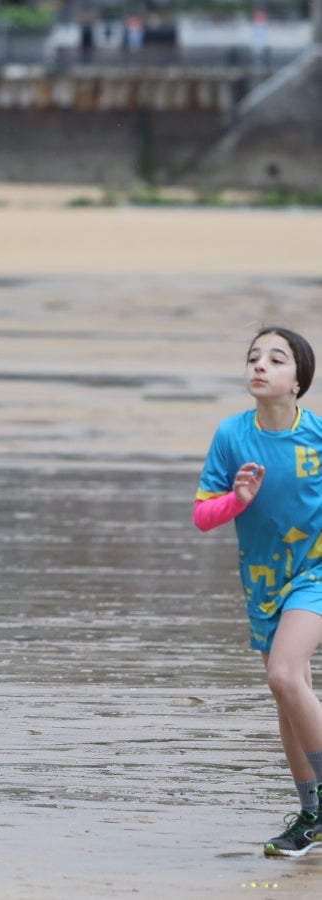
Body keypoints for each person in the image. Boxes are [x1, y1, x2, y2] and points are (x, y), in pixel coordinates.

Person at [194, 326, 322, 857]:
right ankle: (312, 814)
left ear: (298, 381)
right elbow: (204, 516)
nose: (260, 366)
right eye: (253, 358)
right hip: (263, 582)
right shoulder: (231, 435)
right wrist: (238, 499)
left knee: (284, 674)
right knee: (286, 694)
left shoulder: (318, 437)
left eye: (276, 359)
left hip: (315, 574)